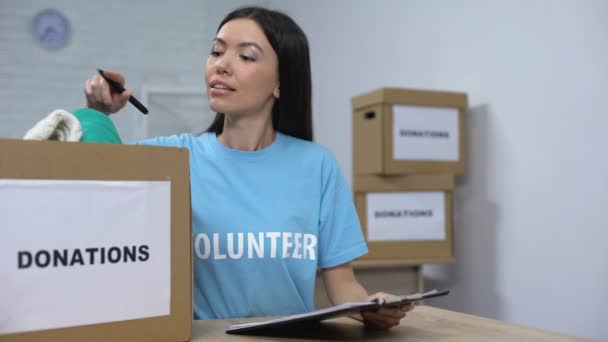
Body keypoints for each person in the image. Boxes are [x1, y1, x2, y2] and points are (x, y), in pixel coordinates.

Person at [77, 6, 413, 329]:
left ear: (280, 83)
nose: (221, 66)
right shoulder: (173, 158)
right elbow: (88, 181)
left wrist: (370, 309)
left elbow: (343, 287)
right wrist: (96, 111)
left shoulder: (318, 165)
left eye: (246, 56)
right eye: (216, 51)